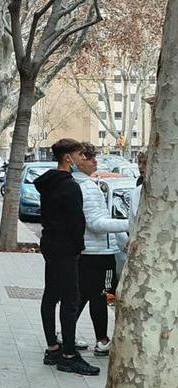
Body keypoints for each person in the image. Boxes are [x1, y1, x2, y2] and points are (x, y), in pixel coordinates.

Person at [34, 138, 99, 375]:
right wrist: (78, 246)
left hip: (50, 244)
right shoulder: (70, 186)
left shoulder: (48, 183)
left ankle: (53, 347)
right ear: (68, 158)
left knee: (51, 295)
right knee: (70, 300)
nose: (84, 158)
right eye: (81, 155)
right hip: (65, 248)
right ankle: (68, 355)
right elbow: (76, 222)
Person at [73, 143, 128, 357]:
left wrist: (121, 239)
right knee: (100, 296)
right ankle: (102, 339)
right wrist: (129, 224)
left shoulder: (85, 184)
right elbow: (96, 223)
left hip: (90, 251)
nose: (95, 161)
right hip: (98, 254)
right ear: (77, 160)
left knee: (83, 295)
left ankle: (66, 332)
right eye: (89, 158)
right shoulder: (87, 187)